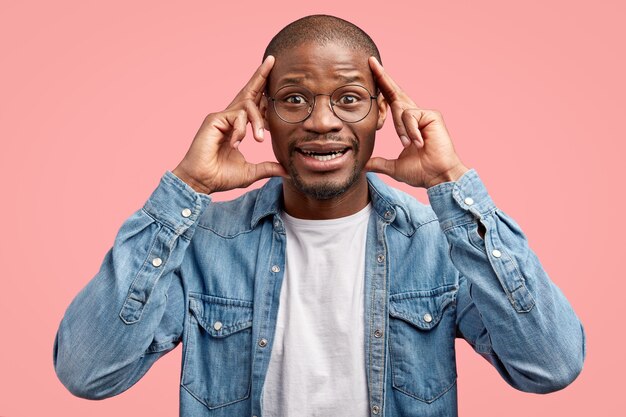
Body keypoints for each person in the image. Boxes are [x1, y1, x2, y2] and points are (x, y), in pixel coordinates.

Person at [53, 14, 585, 417]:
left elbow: (549, 367)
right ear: (261, 113)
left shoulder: (441, 245)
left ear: (383, 111)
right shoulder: (202, 246)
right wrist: (186, 188)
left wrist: (452, 184)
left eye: (350, 99)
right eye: (293, 100)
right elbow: (88, 372)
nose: (323, 122)